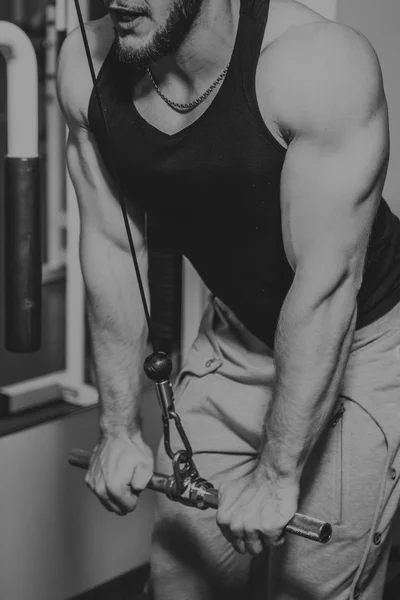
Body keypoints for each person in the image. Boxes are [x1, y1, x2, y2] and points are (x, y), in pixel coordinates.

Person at [57, 0, 400, 598]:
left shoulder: (316, 68)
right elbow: (113, 249)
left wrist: (277, 474)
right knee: (180, 575)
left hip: (359, 344)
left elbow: (326, 292)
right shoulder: (86, 66)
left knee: (305, 585)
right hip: (238, 334)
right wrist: (117, 427)